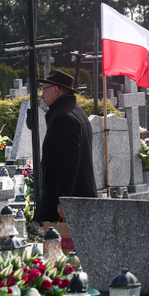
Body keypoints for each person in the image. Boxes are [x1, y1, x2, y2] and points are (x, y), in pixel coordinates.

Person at [34, 70, 98, 222]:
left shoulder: (63, 117)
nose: (42, 96)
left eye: (44, 90)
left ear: (56, 90)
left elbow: (68, 163)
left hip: (67, 203)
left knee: (56, 245)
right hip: (80, 199)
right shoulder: (76, 112)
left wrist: (63, 200)